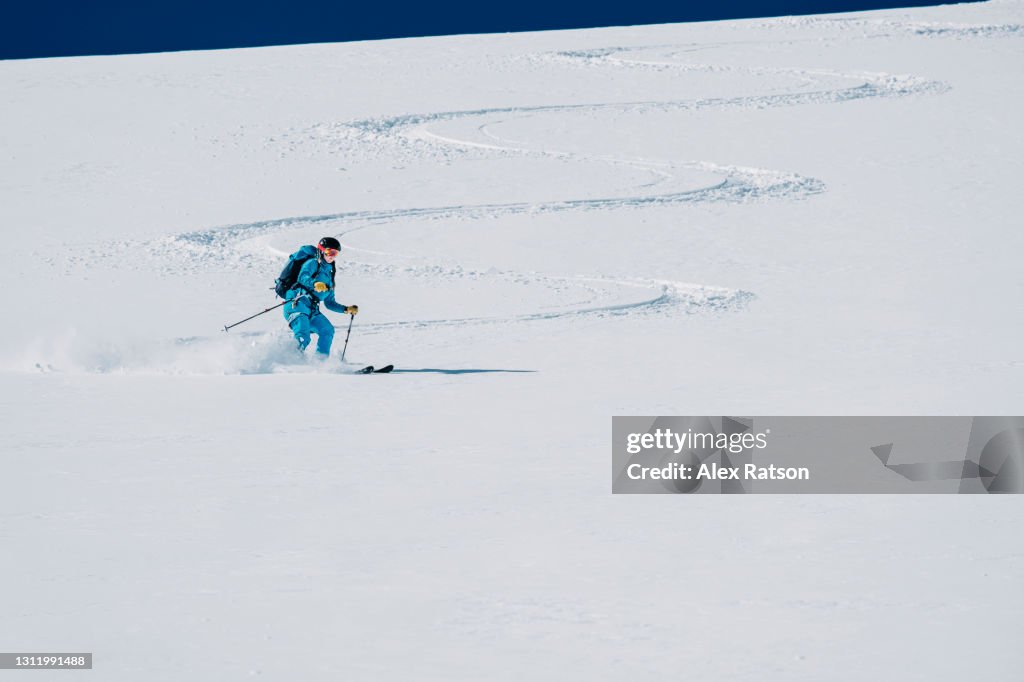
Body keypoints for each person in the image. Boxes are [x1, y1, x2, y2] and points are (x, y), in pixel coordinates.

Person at [282, 237, 358, 357]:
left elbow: (329, 303)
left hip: (312, 310)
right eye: (330, 252)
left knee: (327, 330)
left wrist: (346, 309)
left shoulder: (329, 276)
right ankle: (290, 361)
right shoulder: (313, 263)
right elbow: (302, 277)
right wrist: (314, 283)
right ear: (322, 251)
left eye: (335, 253)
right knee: (303, 336)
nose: (332, 256)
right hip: (297, 304)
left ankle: (320, 363)